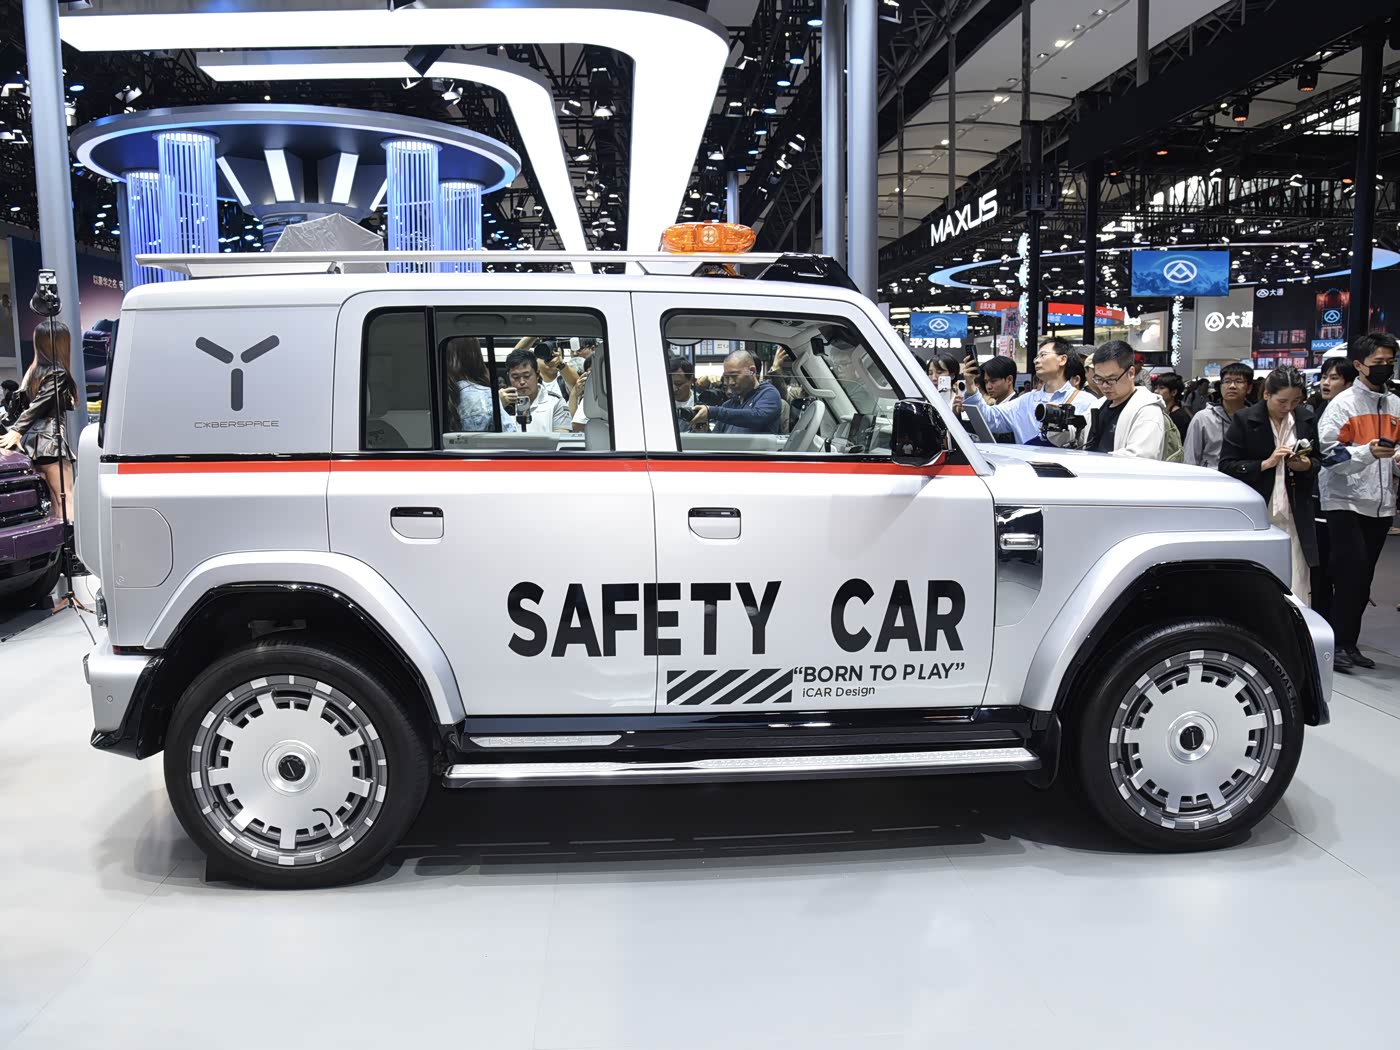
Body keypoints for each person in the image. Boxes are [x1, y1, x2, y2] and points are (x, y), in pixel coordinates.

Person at [1317, 331, 1400, 672]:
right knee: (1350, 574)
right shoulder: (1343, 405)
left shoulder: (1395, 405)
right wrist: (1368, 453)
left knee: (1364, 578)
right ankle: (1336, 644)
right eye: (1378, 362)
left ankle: (1348, 644)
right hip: (1345, 501)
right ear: (1359, 365)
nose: (1385, 367)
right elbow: (1328, 455)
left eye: (1390, 361)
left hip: (1381, 504)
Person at [1219, 367, 1320, 605]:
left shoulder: (1305, 418)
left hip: (1295, 511)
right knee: (1257, 577)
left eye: (1295, 401)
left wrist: (1305, 465)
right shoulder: (1245, 419)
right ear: (1266, 394)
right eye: (1282, 401)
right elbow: (1226, 466)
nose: (1288, 407)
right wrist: (1266, 464)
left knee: (1297, 579)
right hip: (1257, 509)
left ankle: (1296, 624)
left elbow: (1317, 460)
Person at [0, 321, 77, 520]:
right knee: (66, 498)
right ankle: (73, 540)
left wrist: (16, 430)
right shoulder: (58, 373)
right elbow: (39, 405)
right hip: (49, 443)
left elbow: (17, 407)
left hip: (30, 445)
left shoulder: (32, 373)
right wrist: (16, 430)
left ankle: (59, 539)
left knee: (53, 502)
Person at [957, 337, 1094, 444]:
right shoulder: (1025, 401)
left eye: (1043, 355)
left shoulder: (1086, 402)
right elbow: (988, 419)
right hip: (1027, 469)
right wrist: (970, 385)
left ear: (1063, 359)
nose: (1036, 361)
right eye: (1036, 357)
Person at [1308, 357, 1358, 621]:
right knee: (1319, 568)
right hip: (1317, 496)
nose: (1326, 383)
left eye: (1334, 378)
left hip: (1345, 498)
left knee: (1342, 568)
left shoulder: (1351, 413)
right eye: (1325, 377)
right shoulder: (1317, 410)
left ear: (1349, 383)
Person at [1083, 341, 1170, 459]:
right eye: (1099, 379)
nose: (1104, 386)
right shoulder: (1098, 405)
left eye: (1111, 379)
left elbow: (1140, 456)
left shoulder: (1147, 410)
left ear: (1131, 373)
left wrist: (1093, 461)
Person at [690, 349, 781, 435]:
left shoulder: (768, 393)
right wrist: (705, 432)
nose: (730, 382)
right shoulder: (729, 404)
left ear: (752, 371)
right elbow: (717, 439)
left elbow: (758, 417)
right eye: (727, 377)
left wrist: (712, 412)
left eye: (734, 376)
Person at [1184, 361, 1252, 469]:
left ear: (1249, 388)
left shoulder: (1254, 419)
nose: (1232, 386)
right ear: (1220, 387)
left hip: (1244, 477)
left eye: (1238, 381)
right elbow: (1190, 458)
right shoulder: (1203, 418)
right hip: (1210, 477)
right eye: (1227, 381)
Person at [445, 336, 518, 434]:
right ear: (475, 357)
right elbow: (510, 438)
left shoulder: (439, 395)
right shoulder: (485, 398)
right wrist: (495, 403)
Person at [499, 347, 571, 433]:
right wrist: (498, 406)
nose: (522, 382)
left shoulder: (555, 402)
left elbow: (561, 436)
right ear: (508, 377)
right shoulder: (500, 403)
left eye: (527, 376)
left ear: (537, 374)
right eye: (516, 377)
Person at [1150, 372, 1193, 439]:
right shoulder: (1157, 411)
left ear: (1173, 392)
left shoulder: (1181, 417)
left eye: (1161, 388)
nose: (1156, 391)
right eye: (1155, 388)